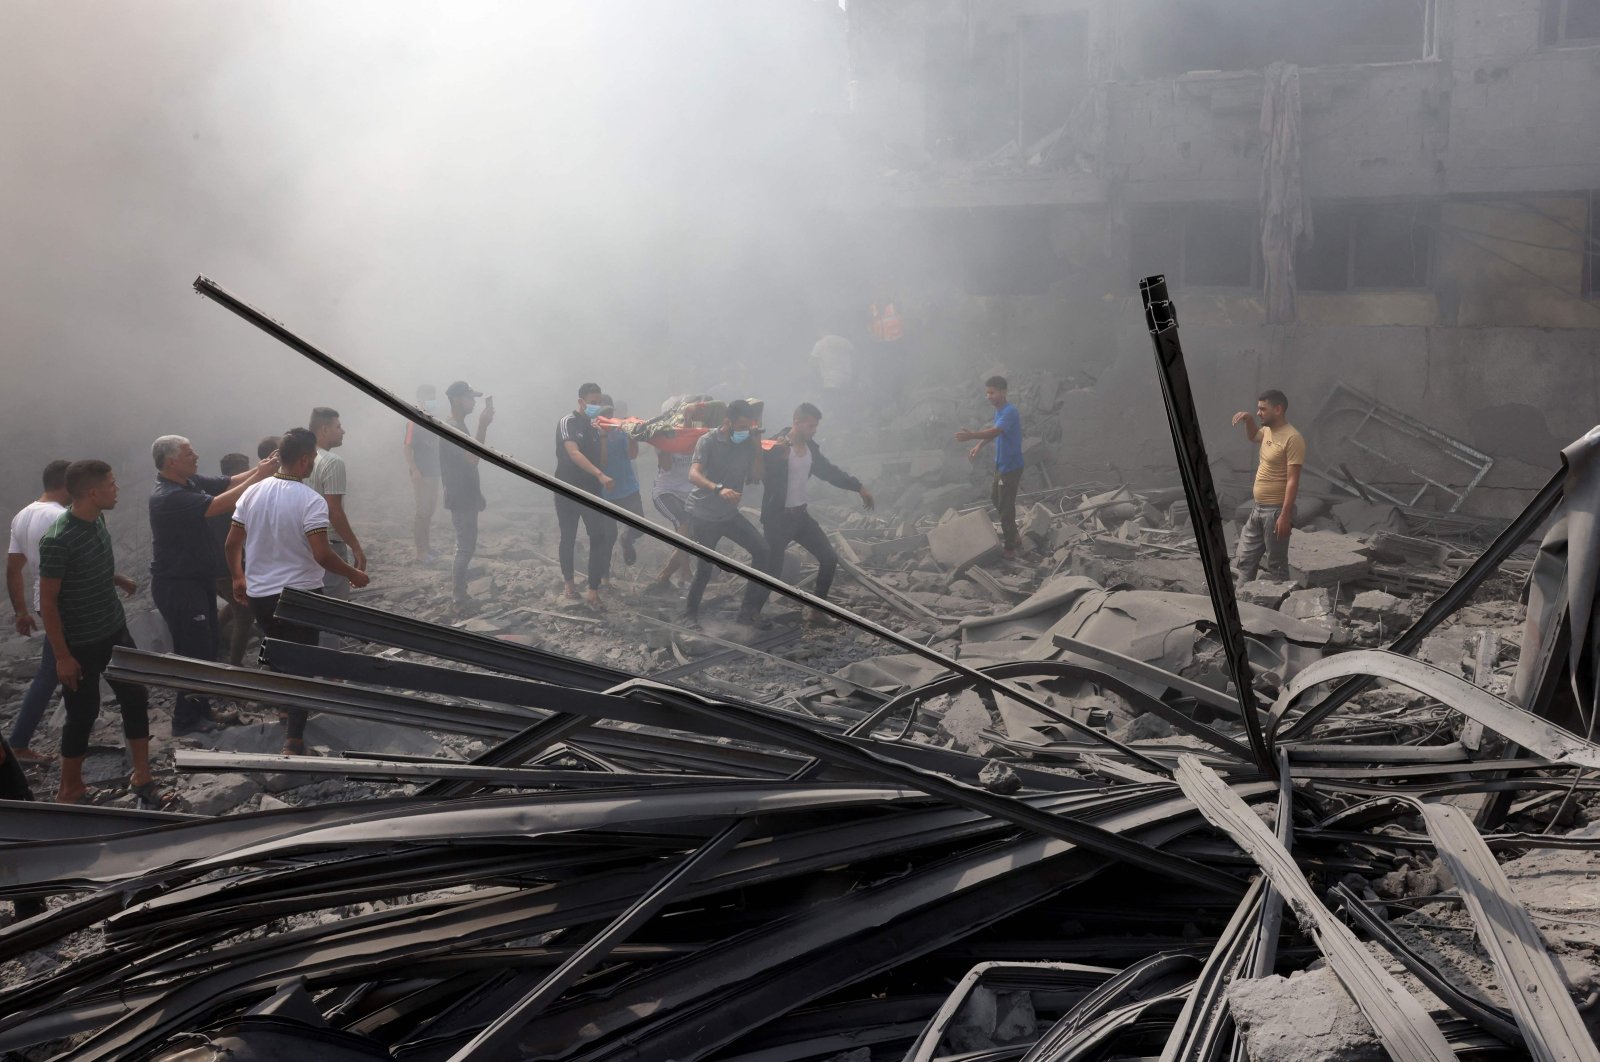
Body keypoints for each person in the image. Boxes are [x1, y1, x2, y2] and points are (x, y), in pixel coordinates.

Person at [227, 428, 369, 754]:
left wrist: (238, 577)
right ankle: (294, 738)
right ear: (304, 460)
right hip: (301, 595)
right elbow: (321, 554)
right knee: (303, 663)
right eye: (314, 459)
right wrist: (353, 575)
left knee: (278, 651)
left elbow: (232, 542)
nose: (314, 464)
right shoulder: (310, 500)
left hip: (261, 595)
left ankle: (282, 707)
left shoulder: (252, 493)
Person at [37, 460, 155, 805]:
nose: (117, 490)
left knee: (135, 696)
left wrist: (116, 578)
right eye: (111, 484)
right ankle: (69, 789)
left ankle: (142, 774)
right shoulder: (58, 539)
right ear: (92, 492)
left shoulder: (98, 519)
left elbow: (91, 563)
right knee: (83, 713)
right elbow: (48, 601)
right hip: (81, 642)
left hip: (114, 628)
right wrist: (62, 656)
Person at [147, 435, 277, 734]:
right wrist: (260, 475)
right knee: (192, 652)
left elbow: (228, 481)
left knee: (203, 648)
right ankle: (186, 720)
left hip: (198, 578)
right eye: (189, 453)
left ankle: (202, 709)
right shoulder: (169, 496)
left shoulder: (188, 481)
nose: (196, 456)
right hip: (179, 585)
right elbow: (218, 504)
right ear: (171, 462)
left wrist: (263, 467)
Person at [748, 403, 875, 627]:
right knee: (772, 569)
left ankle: (817, 611)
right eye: (811, 425)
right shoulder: (776, 446)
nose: (814, 430)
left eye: (815, 426)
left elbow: (829, 472)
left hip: (800, 517)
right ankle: (750, 613)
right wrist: (775, 452)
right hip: (778, 519)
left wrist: (858, 487)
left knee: (829, 558)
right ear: (796, 422)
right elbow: (758, 472)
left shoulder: (811, 449)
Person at [684, 399, 769, 629]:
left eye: (747, 426)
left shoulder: (748, 443)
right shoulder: (708, 441)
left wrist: (756, 444)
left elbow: (757, 475)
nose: (743, 431)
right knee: (705, 568)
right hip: (703, 513)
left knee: (762, 551)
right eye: (740, 426)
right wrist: (718, 488)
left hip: (728, 514)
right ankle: (689, 615)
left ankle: (747, 612)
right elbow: (693, 474)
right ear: (727, 421)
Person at [6, 459, 71, 761]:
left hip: (43, 603)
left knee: (54, 670)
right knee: (54, 670)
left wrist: (21, 612)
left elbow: (13, 568)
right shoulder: (61, 516)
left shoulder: (23, 515)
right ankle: (20, 743)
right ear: (67, 484)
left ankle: (20, 742)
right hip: (68, 602)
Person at [1231, 389, 1305, 583]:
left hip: (1275, 512)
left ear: (1278, 409)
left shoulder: (1293, 438)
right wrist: (1248, 420)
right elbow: (1253, 436)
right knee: (1244, 560)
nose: (1258, 413)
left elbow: (1293, 480)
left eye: (1263, 409)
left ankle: (1275, 608)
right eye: (1257, 409)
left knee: (1276, 566)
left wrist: (1285, 515)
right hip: (1257, 509)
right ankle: (1241, 604)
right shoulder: (1267, 430)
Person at [554, 382, 616, 608]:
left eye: (600, 402)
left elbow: (603, 461)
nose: (596, 406)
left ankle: (593, 590)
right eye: (592, 403)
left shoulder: (593, 426)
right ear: (581, 401)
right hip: (567, 488)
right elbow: (573, 453)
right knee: (568, 536)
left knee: (598, 537)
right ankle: (569, 585)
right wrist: (600, 474)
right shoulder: (567, 422)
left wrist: (602, 437)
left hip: (591, 490)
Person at [308, 407, 365, 645]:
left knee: (312, 608)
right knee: (332, 612)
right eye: (338, 426)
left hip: (305, 542)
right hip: (329, 543)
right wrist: (356, 547)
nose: (343, 431)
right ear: (323, 429)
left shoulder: (300, 459)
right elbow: (334, 511)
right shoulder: (332, 462)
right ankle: (330, 674)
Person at [955, 375, 1025, 561]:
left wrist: (972, 436)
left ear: (1002, 392)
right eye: (987, 393)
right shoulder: (999, 411)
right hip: (1001, 465)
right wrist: (979, 445)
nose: (989, 396)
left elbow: (995, 431)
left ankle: (1011, 546)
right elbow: (995, 432)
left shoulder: (1010, 412)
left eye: (992, 392)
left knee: (1005, 505)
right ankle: (1014, 535)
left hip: (1010, 467)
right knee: (996, 497)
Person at [438, 381, 494, 611]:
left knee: (465, 545)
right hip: (460, 497)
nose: (473, 402)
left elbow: (466, 466)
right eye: (469, 397)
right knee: (464, 547)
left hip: (464, 495)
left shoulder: (459, 425)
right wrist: (483, 425)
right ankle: (458, 598)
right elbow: (472, 458)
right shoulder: (453, 427)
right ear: (457, 399)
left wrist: (477, 493)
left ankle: (460, 594)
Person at [210, 452, 256, 669]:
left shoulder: (218, 496)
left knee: (235, 603)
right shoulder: (231, 500)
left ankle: (213, 638)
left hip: (221, 565)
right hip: (225, 566)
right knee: (245, 614)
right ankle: (235, 666)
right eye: (246, 469)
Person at [597, 395, 644, 571]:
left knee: (640, 527)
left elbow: (632, 455)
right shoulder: (593, 433)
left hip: (628, 487)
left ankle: (627, 539)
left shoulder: (620, 429)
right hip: (605, 493)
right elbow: (601, 464)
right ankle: (604, 577)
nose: (606, 415)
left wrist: (632, 434)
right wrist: (602, 436)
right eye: (603, 412)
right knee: (608, 537)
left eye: (609, 412)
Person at [405, 385, 442, 564]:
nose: (432, 400)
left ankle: (427, 547)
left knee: (431, 509)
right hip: (422, 473)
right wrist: (414, 468)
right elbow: (407, 447)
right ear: (420, 399)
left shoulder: (432, 420)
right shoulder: (414, 421)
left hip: (434, 471)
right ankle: (420, 552)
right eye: (429, 397)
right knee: (422, 511)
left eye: (433, 396)